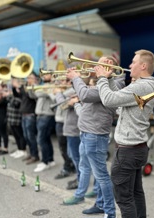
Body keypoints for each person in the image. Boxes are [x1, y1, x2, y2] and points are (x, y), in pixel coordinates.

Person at [96, 49, 154, 218]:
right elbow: (118, 102)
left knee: (124, 199)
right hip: (137, 147)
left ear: (143, 65)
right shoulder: (147, 85)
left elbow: (108, 100)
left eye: (133, 62)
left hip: (128, 150)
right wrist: (110, 79)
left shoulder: (141, 86)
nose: (130, 65)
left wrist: (102, 78)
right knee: (135, 194)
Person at [62, 56, 120, 218]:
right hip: (87, 132)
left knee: (101, 176)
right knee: (87, 168)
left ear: (109, 66)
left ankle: (109, 212)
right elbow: (86, 101)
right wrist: (77, 80)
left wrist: (76, 78)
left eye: (100, 63)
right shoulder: (100, 83)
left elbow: (86, 95)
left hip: (94, 135)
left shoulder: (108, 85)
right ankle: (100, 204)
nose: (95, 66)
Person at [32, 73, 56, 172]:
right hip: (41, 116)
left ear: (52, 76)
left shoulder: (51, 86)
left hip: (46, 116)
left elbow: (38, 93)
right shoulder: (44, 86)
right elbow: (34, 95)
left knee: (41, 139)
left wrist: (34, 85)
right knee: (46, 139)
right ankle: (50, 159)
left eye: (46, 75)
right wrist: (32, 87)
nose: (44, 76)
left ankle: (44, 162)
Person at [17, 72, 40, 164]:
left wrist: (29, 86)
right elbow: (19, 95)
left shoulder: (35, 87)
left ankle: (35, 155)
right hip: (24, 114)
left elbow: (31, 96)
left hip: (30, 115)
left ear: (35, 79)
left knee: (31, 137)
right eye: (28, 77)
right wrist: (17, 87)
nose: (28, 79)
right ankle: (31, 153)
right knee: (26, 136)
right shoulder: (26, 87)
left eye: (31, 77)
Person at [7, 77, 27, 159]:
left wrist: (17, 88)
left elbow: (16, 102)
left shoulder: (22, 91)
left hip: (17, 117)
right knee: (15, 134)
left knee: (20, 134)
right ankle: (19, 149)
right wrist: (13, 88)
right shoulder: (15, 92)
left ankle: (23, 149)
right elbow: (10, 98)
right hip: (11, 117)